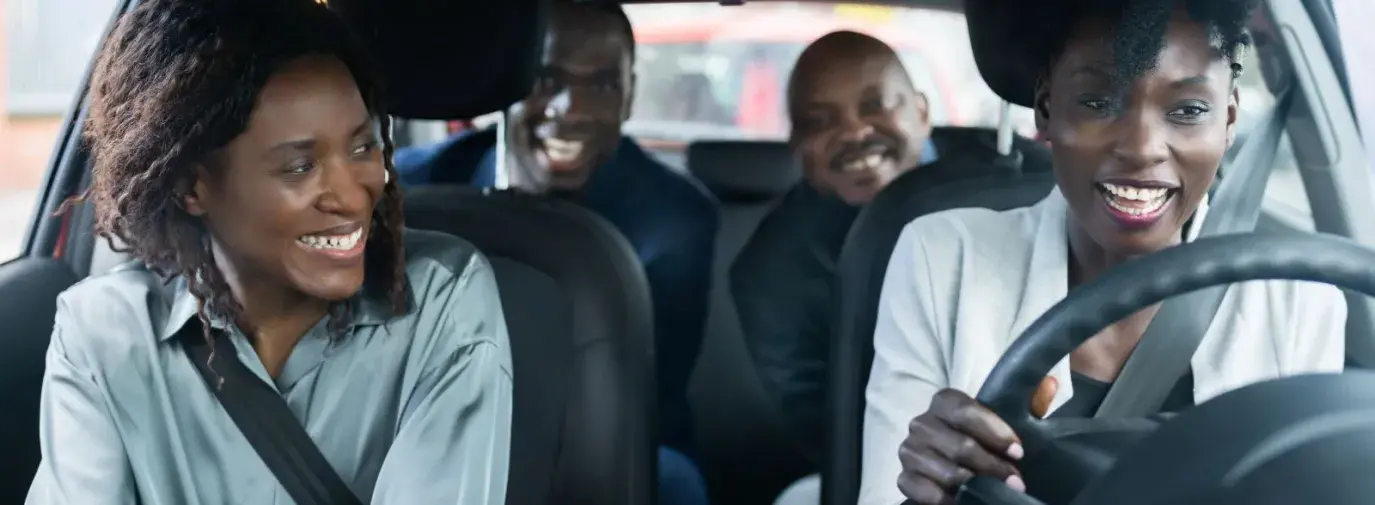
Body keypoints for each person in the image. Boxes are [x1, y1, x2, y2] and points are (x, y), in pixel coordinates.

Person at [25, 1, 513, 504]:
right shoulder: (104, 334)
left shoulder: (441, 302)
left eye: (363, 148)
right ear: (191, 187)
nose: (350, 196)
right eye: (300, 167)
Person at [863, 1, 1346, 505]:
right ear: (1046, 111)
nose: (1141, 148)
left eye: (1188, 111)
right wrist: (927, 490)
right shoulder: (942, 258)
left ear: (1227, 124)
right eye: (1098, 102)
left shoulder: (1300, 300)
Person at [392, 2, 718, 504]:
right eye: (547, 78)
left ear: (630, 98)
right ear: (508, 88)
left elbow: (649, 396)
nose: (572, 109)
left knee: (674, 480)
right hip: (427, 429)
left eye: (604, 85)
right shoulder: (414, 187)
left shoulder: (674, 220)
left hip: (610, 438)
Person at [731, 30, 937, 472]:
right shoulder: (773, 267)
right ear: (797, 149)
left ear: (921, 112)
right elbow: (827, 428)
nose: (855, 132)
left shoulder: (1007, 194)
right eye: (820, 122)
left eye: (875, 105)